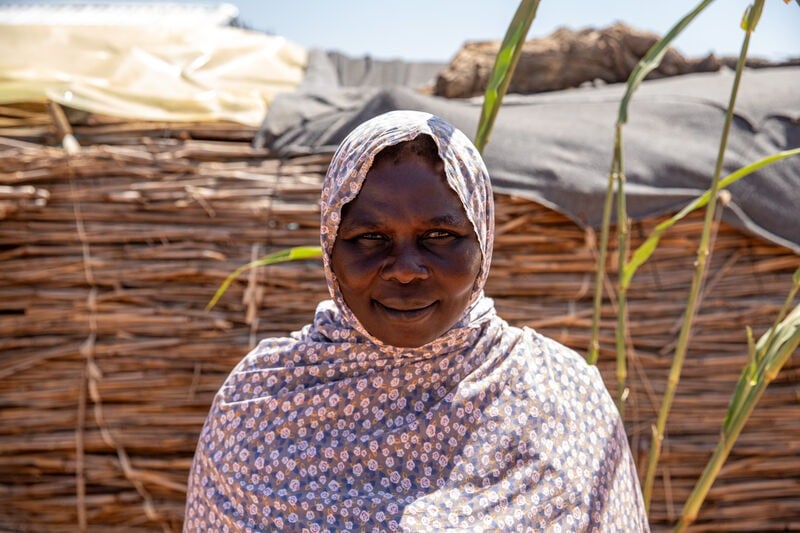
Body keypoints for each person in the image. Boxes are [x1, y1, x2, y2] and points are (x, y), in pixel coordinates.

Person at [185, 110, 649, 531]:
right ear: (330, 246)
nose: (405, 268)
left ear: (482, 240)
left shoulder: (562, 397)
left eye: (440, 235)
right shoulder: (259, 407)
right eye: (369, 237)